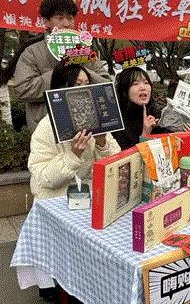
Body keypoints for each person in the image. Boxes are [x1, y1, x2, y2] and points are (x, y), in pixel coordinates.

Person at [13, 0, 107, 133]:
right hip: (47, 129)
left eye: (70, 18)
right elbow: (23, 89)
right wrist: (59, 73)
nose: (66, 23)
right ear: (46, 22)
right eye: (60, 18)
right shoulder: (32, 52)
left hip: (85, 125)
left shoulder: (85, 51)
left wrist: (81, 72)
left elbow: (106, 84)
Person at [28, 64, 121, 201]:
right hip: (56, 202)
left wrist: (102, 144)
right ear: (59, 90)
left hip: (91, 199)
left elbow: (116, 166)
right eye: (77, 85)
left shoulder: (96, 119)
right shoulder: (46, 127)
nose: (83, 90)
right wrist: (73, 155)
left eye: (87, 84)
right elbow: (43, 178)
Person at [112, 66, 166, 150]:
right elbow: (124, 155)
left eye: (146, 83)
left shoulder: (156, 113)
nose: (143, 88)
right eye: (135, 84)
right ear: (125, 91)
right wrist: (145, 135)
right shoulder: (117, 122)